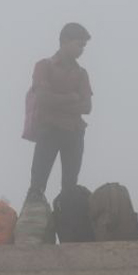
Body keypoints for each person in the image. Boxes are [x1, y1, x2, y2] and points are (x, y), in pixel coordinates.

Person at [23, 23, 93, 203]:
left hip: (74, 133)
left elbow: (87, 107)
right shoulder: (44, 66)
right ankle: (33, 226)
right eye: (79, 44)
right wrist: (71, 97)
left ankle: (68, 225)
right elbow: (43, 99)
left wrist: (56, 102)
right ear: (64, 41)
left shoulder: (82, 73)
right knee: (37, 186)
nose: (81, 50)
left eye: (83, 46)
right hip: (49, 131)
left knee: (70, 188)